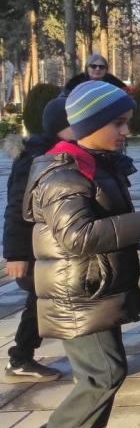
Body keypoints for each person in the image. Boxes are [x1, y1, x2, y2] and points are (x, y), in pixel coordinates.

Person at [9, 81, 140, 428]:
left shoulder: (95, 163)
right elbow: (76, 236)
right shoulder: (63, 170)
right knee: (104, 373)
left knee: (102, 374)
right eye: (117, 123)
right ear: (89, 124)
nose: (125, 131)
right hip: (76, 293)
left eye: (126, 122)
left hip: (96, 288)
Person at [3, 98, 74, 384]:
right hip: (32, 248)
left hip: (50, 244)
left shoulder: (62, 152)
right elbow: (16, 207)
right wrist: (16, 255)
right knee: (41, 301)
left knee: (48, 299)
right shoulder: (36, 157)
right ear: (60, 127)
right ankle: (20, 359)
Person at [61, 54, 127, 97]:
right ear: (87, 68)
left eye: (101, 67)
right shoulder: (73, 85)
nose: (97, 69)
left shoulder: (117, 86)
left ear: (106, 69)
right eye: (93, 66)